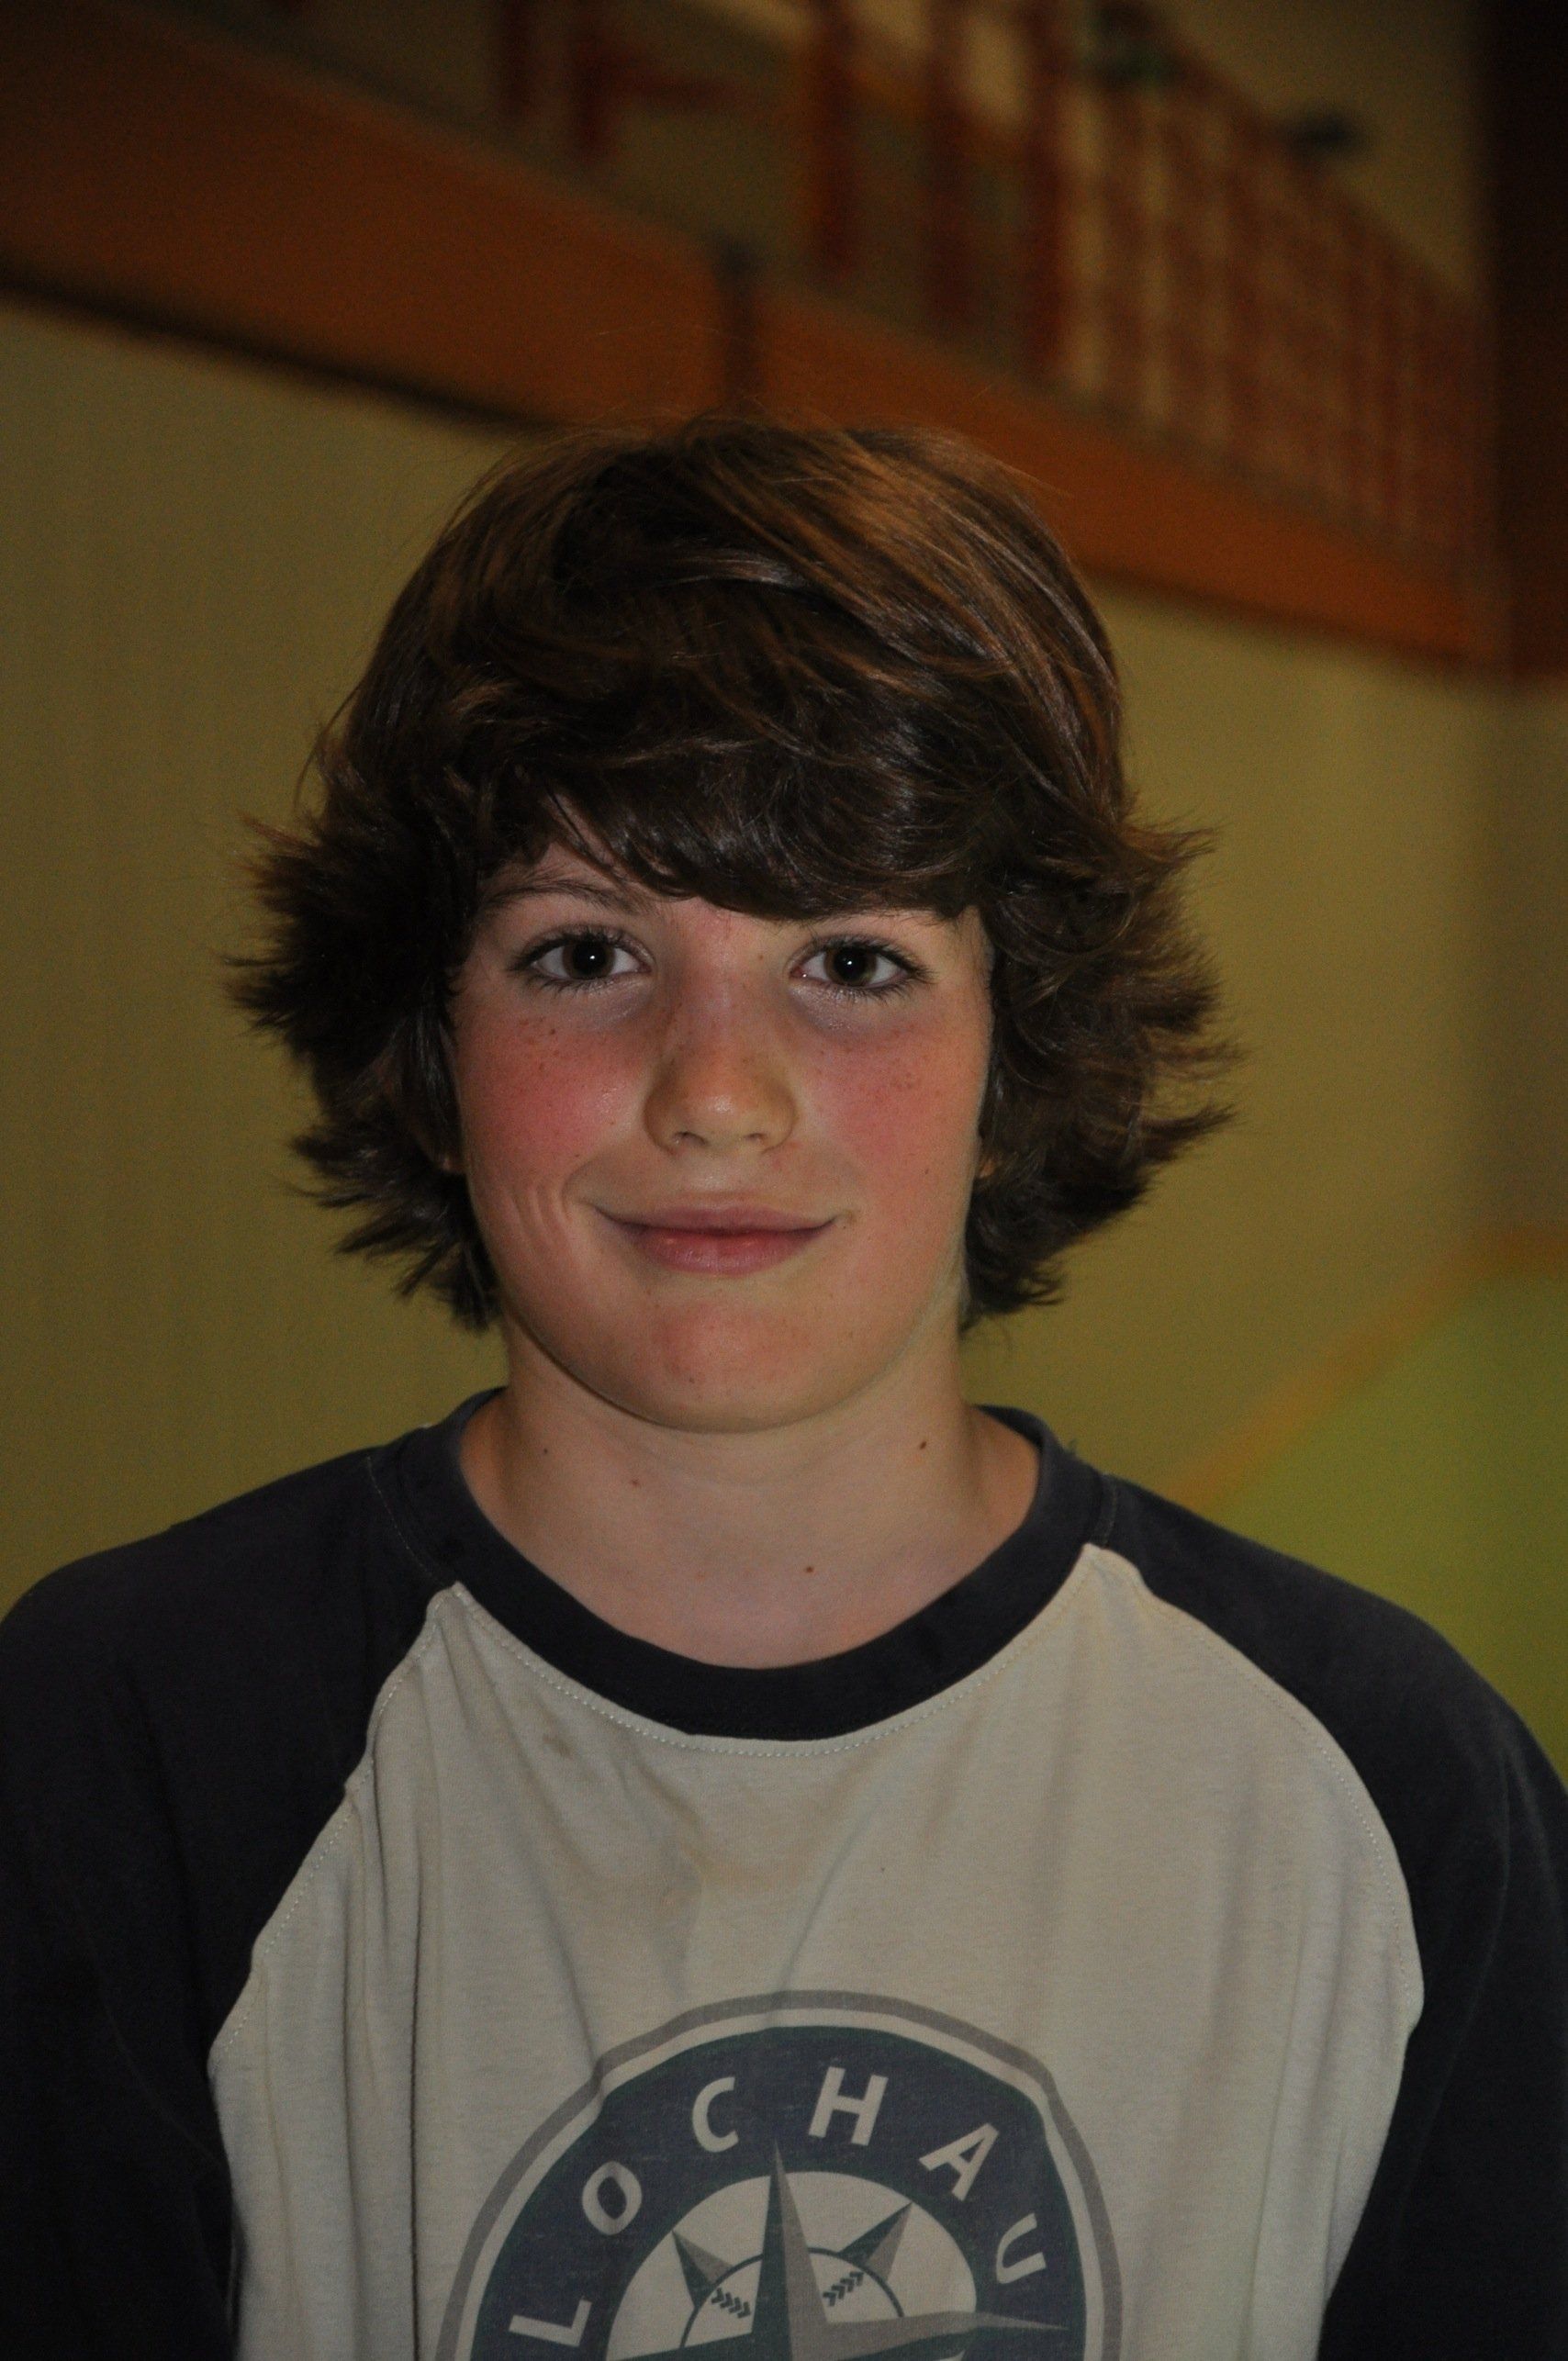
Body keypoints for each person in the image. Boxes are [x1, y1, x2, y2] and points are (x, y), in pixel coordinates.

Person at [1, 414, 1563, 2361]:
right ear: (431, 1037)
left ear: (1019, 1050)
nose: (716, 1092)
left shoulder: (1391, 1804)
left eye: (852, 961)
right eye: (585, 951)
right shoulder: (118, 1750)